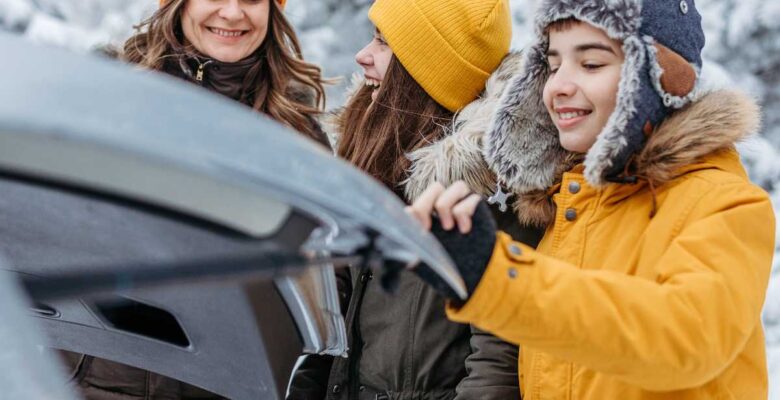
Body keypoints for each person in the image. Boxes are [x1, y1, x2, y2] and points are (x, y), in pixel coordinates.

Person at [406, 0, 776, 398]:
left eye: (592, 64)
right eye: (551, 66)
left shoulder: (724, 203)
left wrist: (498, 277)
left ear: (660, 80)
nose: (559, 86)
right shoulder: (567, 211)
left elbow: (687, 338)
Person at [60, 0, 328, 398]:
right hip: (97, 377)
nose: (233, 13)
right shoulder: (110, 93)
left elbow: (325, 277)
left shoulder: (295, 132)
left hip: (217, 385)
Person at [287, 0, 543, 399]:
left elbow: (496, 365)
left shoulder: (494, 189)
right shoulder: (377, 154)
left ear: (427, 74)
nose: (363, 56)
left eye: (383, 43)